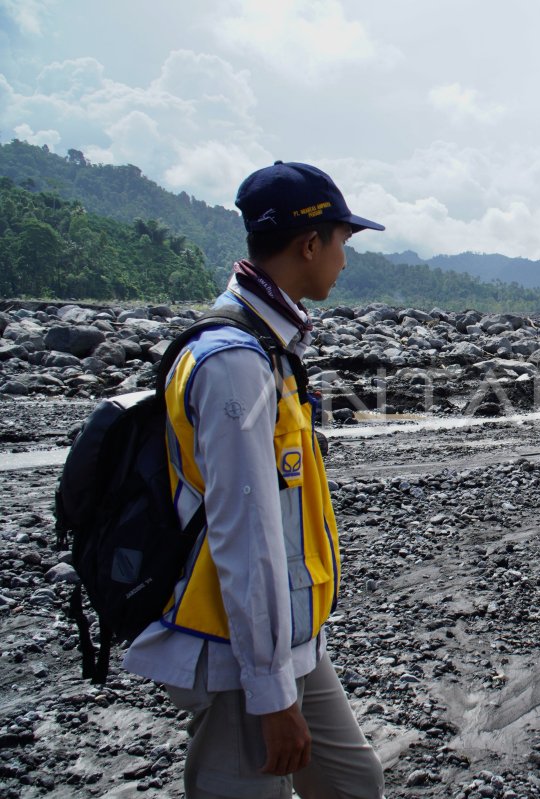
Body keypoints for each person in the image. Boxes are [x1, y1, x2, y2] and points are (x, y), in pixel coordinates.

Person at [124, 161, 386, 798]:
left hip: (292, 637)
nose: (343, 262)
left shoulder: (267, 346)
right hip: (236, 651)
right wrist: (271, 696)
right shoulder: (234, 364)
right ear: (308, 244)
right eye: (341, 243)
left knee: (354, 786)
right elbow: (247, 537)